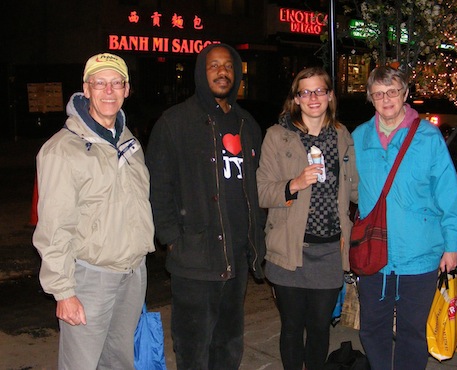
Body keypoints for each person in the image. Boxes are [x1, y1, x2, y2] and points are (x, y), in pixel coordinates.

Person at [146, 43, 266, 370]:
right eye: (213, 66)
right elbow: (158, 185)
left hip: (237, 253)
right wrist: (173, 238)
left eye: (228, 66)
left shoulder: (246, 124)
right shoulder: (175, 122)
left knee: (228, 343)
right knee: (193, 345)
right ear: (201, 72)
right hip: (195, 257)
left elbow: (256, 186)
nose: (222, 72)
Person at [32, 53, 155, 370]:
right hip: (90, 279)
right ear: (86, 89)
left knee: (119, 361)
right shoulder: (62, 149)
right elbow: (53, 227)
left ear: (127, 89)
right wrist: (63, 292)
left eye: (116, 83)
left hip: (132, 274)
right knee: (82, 364)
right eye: (100, 83)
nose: (109, 91)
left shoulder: (129, 142)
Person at [351, 65, 457, 370]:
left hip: (420, 254)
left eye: (392, 91)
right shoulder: (359, 137)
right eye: (378, 94)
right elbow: (346, 187)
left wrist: (451, 243)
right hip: (374, 254)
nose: (386, 99)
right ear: (370, 98)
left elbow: (448, 192)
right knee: (371, 329)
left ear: (405, 94)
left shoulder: (427, 137)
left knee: (412, 333)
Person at [256, 66, 358, 370]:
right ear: (296, 99)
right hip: (289, 249)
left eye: (319, 91)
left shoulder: (341, 136)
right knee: (291, 327)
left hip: (329, 251)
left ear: (329, 96)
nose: (313, 97)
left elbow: (355, 189)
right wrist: (294, 184)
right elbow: (262, 192)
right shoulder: (277, 136)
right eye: (305, 92)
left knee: (318, 329)